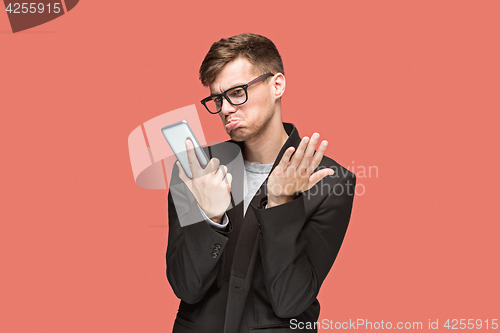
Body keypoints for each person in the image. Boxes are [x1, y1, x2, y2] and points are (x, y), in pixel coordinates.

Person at [166, 33, 356, 333]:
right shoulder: (195, 173)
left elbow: (290, 302)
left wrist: (281, 205)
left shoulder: (330, 183)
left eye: (237, 92)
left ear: (277, 84)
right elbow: (186, 286)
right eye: (217, 99)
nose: (226, 108)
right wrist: (212, 218)